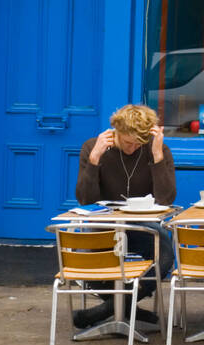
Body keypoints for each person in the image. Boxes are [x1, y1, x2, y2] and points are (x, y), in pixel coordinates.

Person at [72, 104, 176, 328]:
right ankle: (125, 307)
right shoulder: (93, 147)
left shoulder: (157, 149)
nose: (134, 147)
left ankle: (109, 309)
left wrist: (157, 155)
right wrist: (94, 159)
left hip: (143, 225)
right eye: (129, 142)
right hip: (105, 225)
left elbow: (166, 199)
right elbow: (85, 199)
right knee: (87, 261)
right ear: (115, 131)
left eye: (140, 142)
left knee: (165, 254)